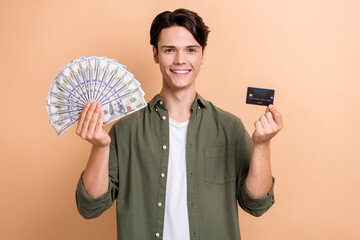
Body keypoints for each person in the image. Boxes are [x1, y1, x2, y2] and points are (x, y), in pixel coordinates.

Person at [75, 8, 283, 240]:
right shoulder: (125, 131)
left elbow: (257, 204)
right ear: (155, 54)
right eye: (169, 50)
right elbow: (90, 207)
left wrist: (262, 145)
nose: (180, 60)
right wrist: (100, 147)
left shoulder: (230, 128)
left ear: (203, 55)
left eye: (191, 50)